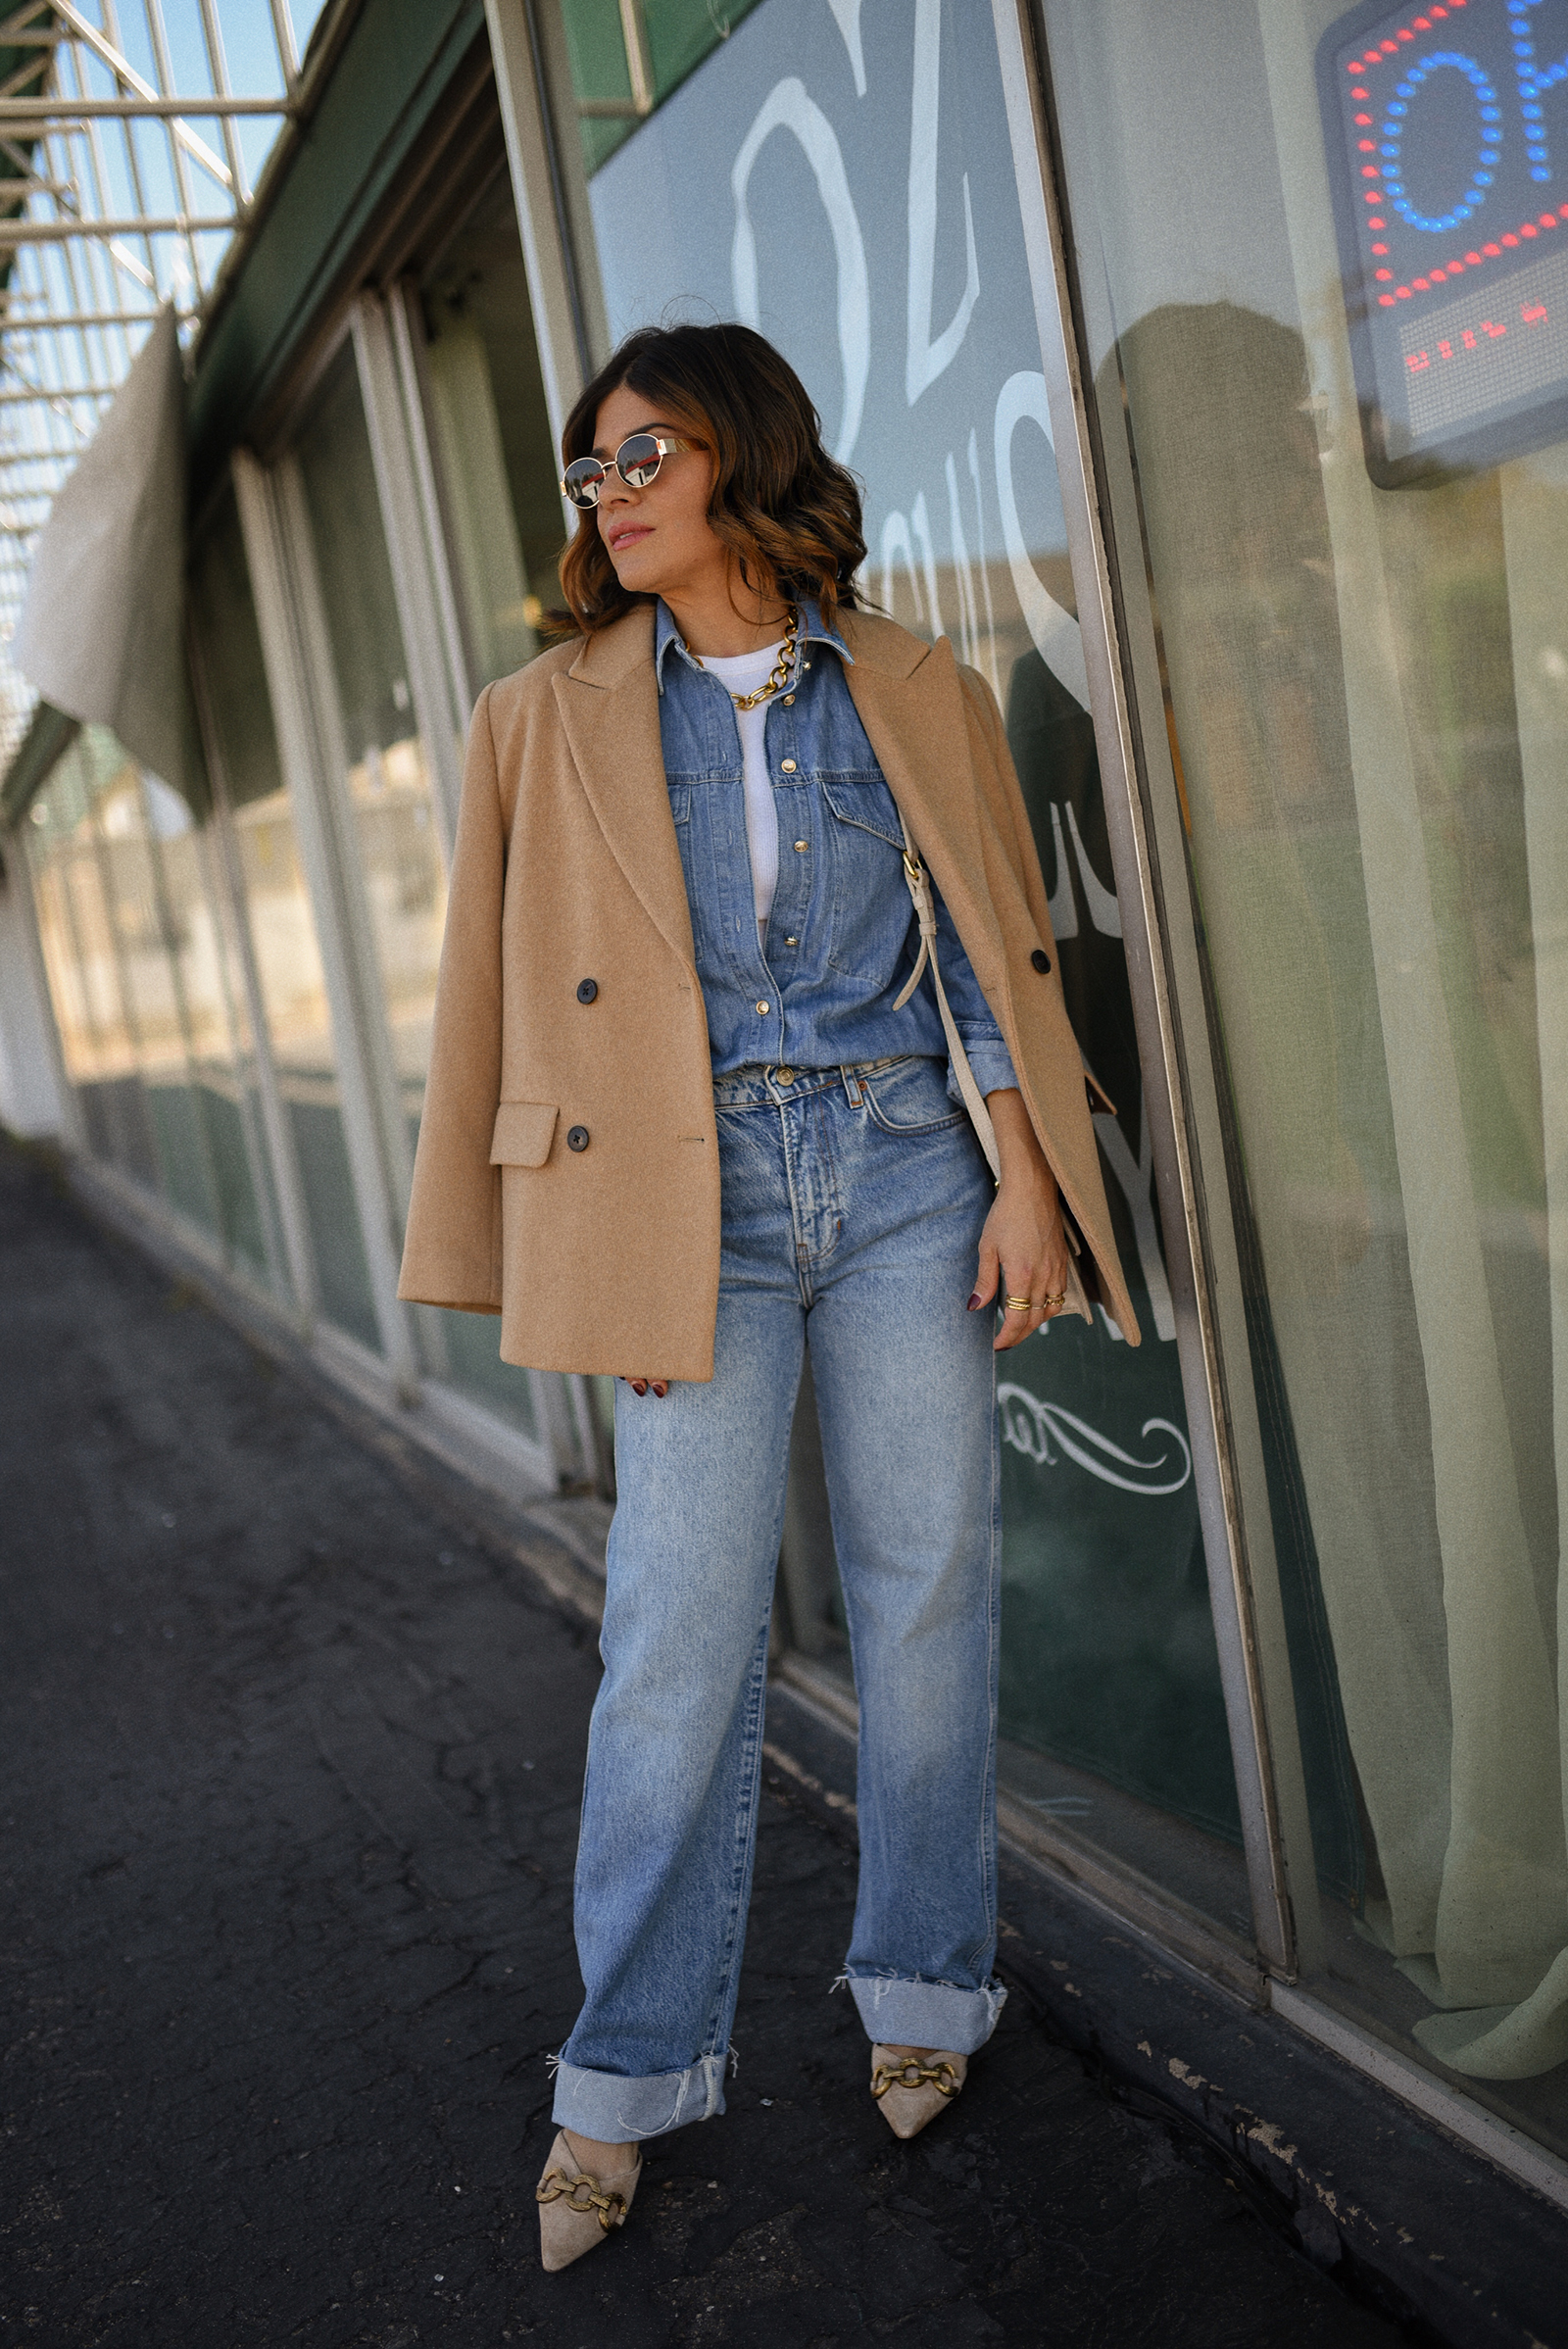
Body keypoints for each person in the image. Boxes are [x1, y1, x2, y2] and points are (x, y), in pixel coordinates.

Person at [397, 321, 1138, 2272]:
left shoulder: (901, 680)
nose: (608, 494)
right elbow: (489, 1007)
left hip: (901, 1168)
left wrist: (1022, 1181)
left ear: (738, 453)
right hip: (677, 1201)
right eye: (589, 470)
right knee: (674, 1637)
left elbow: (984, 951)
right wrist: (574, 1253)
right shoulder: (537, 716)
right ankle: (619, 2072)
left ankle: (920, 1982)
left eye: (640, 453)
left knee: (927, 1585)